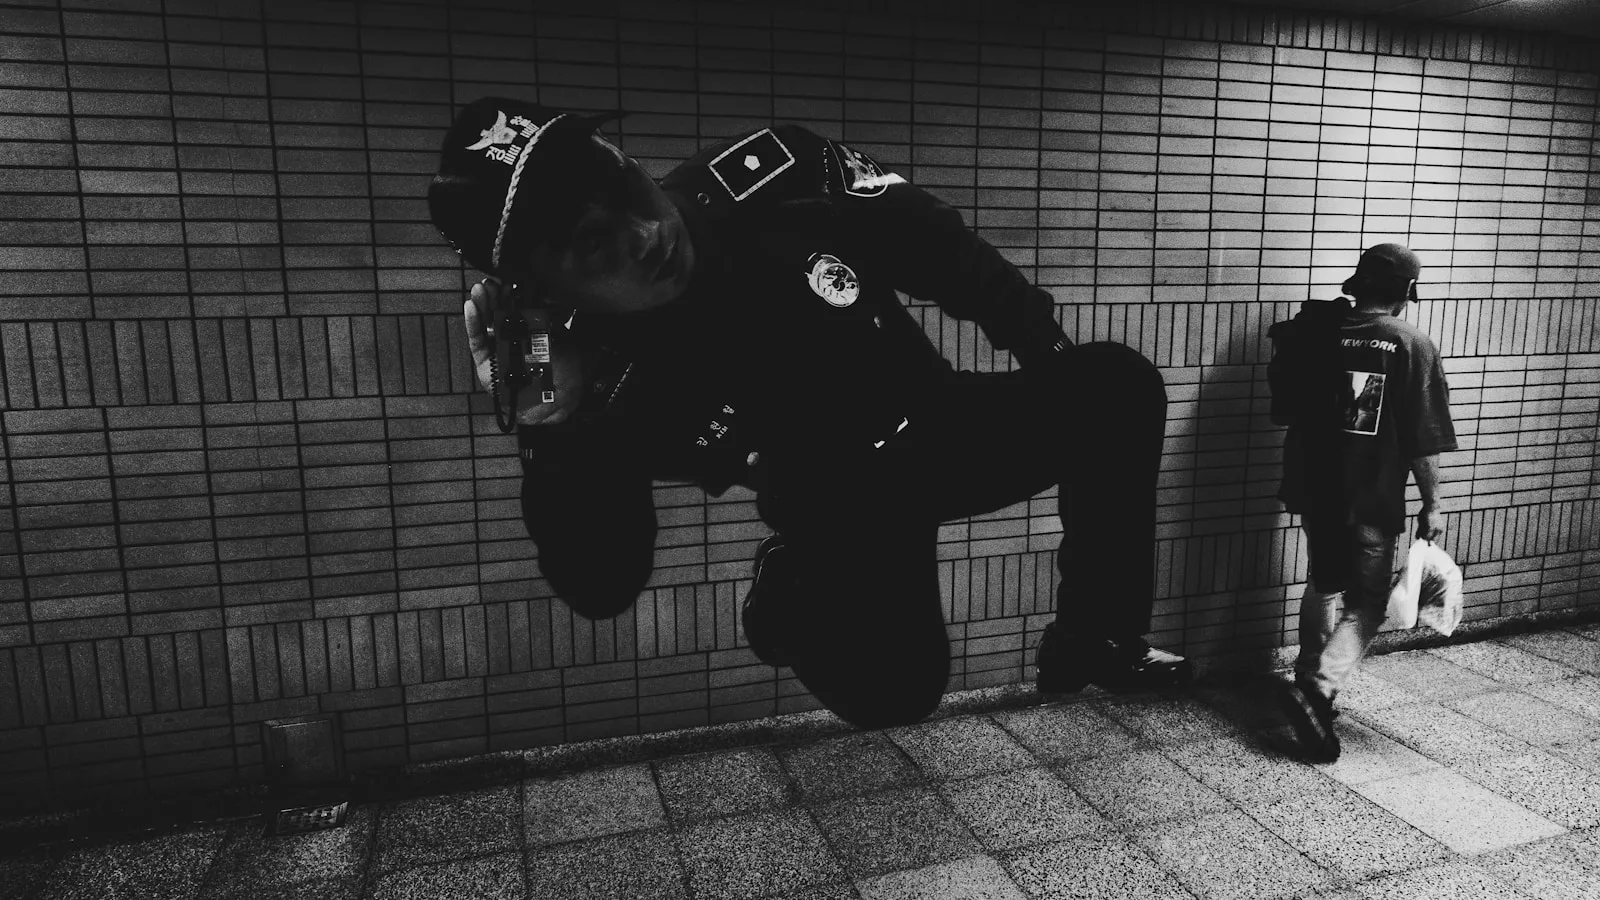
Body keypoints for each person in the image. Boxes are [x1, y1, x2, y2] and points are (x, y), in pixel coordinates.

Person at [427, 97, 1191, 730]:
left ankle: (1095, 637)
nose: (647, 234)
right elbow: (600, 585)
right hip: (839, 504)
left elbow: (942, 248)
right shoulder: (581, 379)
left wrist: (1049, 361)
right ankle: (790, 595)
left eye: (624, 187)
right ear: (543, 288)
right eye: (597, 245)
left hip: (937, 419)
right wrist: (550, 426)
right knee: (893, 700)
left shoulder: (776, 175)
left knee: (1114, 386)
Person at [1268, 243, 1457, 761]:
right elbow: (1423, 437)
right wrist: (1433, 503)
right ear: (1407, 292)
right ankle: (1318, 689)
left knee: (1323, 581)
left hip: (1313, 486)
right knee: (1367, 601)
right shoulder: (1408, 343)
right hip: (1369, 496)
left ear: (1359, 283)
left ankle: (1307, 677)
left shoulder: (1319, 332)